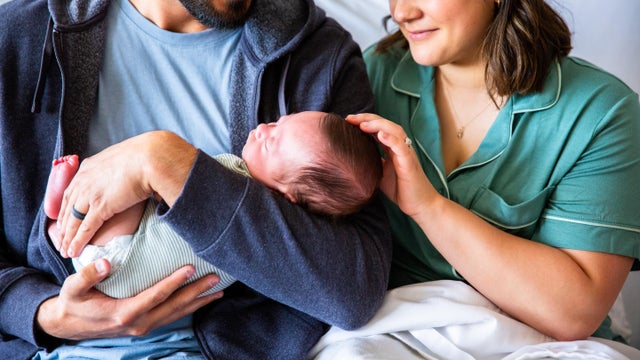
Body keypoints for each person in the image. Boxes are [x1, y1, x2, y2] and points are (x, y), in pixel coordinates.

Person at [0, 0, 392, 359]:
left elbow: (354, 289)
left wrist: (165, 162)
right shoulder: (17, 37)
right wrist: (43, 314)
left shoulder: (318, 56)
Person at [345, 0, 640, 346]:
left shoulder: (600, 112)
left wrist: (428, 207)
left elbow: (575, 312)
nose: (401, 13)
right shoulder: (372, 74)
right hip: (392, 333)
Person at [44, 111, 383, 299]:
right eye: (278, 122)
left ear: (287, 193)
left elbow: (167, 187)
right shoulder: (268, 240)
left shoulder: (231, 175)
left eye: (273, 142)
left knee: (135, 188)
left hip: (117, 263)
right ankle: (59, 219)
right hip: (116, 282)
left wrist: (152, 163)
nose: (264, 127)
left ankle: (61, 208)